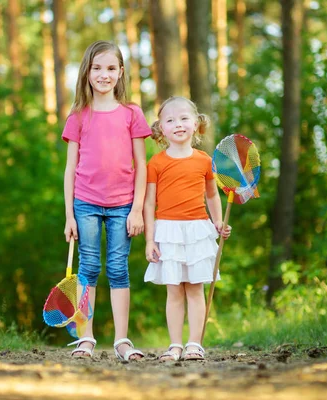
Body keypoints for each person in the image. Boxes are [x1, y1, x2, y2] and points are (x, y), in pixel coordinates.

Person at [62, 41, 151, 361]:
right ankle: (85, 339)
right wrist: (69, 215)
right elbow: (70, 169)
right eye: (97, 68)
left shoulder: (132, 113)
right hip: (85, 202)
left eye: (111, 68)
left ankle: (122, 340)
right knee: (88, 267)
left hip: (123, 204)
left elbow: (142, 165)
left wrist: (138, 208)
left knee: (118, 269)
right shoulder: (78, 116)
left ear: (121, 72)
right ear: (87, 72)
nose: (104, 74)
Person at [143, 96, 232, 361]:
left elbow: (213, 196)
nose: (178, 124)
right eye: (170, 120)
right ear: (161, 128)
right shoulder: (156, 163)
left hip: (196, 230)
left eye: (184, 119)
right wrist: (150, 240)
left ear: (196, 124)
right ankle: (175, 345)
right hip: (168, 231)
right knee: (174, 290)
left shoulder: (205, 161)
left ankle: (195, 343)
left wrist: (218, 222)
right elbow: (149, 204)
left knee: (195, 289)